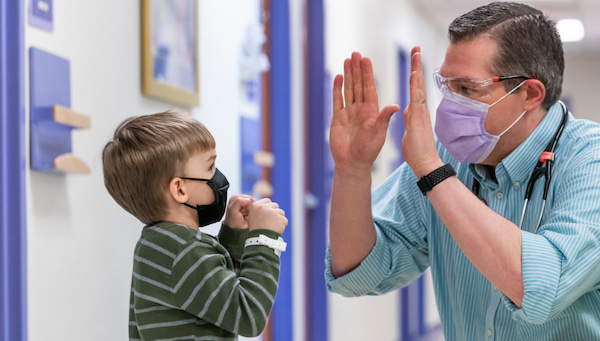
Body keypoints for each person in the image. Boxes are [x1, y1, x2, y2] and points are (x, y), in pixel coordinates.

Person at [325, 2, 600, 340]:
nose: (450, 104)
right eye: (447, 86)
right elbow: (361, 273)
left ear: (529, 93)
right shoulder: (445, 158)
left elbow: (545, 288)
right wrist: (353, 171)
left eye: (467, 89)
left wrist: (432, 173)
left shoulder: (589, 159)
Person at [102, 110, 288, 340]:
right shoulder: (186, 250)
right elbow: (248, 316)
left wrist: (233, 236)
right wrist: (264, 239)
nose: (217, 177)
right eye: (210, 168)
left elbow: (214, 298)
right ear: (180, 189)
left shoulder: (156, 243)